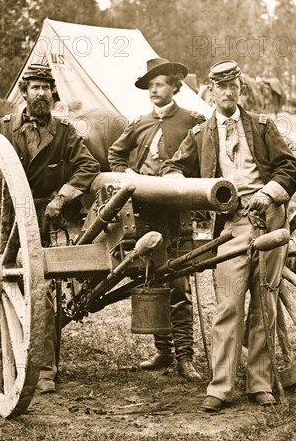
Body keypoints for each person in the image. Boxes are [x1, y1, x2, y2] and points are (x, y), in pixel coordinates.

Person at [160, 60, 296, 412]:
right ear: (210, 90)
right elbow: (172, 168)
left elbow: (289, 166)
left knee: (264, 302)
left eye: (232, 85)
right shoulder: (200, 135)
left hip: (269, 220)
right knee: (228, 305)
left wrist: (268, 193)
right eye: (220, 86)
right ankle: (221, 386)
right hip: (231, 228)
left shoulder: (263, 127)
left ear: (240, 88)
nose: (227, 92)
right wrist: (188, 189)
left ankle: (260, 383)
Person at [0, 63, 100, 393]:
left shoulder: (64, 133)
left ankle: (46, 370)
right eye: (34, 87)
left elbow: (88, 165)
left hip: (46, 219)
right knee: (9, 291)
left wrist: (62, 198)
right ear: (23, 93)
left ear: (52, 94)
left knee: (45, 295)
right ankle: (7, 361)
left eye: (45, 88)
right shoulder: (4, 129)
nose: (40, 93)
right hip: (9, 224)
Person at [108, 58, 205, 381]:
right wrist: (129, 176)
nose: (154, 90)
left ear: (175, 87)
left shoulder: (193, 121)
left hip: (177, 213)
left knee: (178, 283)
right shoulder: (139, 123)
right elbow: (115, 155)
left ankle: (185, 357)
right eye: (150, 86)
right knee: (153, 278)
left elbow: (205, 158)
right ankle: (163, 350)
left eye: (160, 84)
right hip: (147, 213)